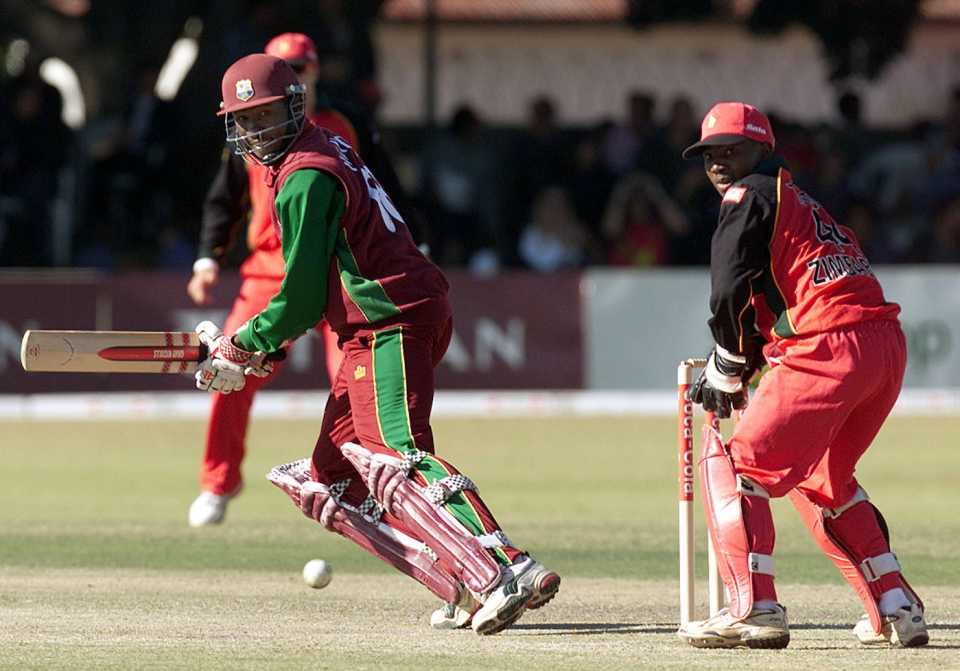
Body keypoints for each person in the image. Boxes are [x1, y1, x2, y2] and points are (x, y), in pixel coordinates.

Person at [193, 52, 560, 635]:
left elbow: (304, 297)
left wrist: (244, 344)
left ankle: (506, 568)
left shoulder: (305, 175)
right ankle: (458, 579)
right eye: (247, 120)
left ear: (295, 107)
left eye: (268, 115)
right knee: (326, 478)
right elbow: (319, 289)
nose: (260, 131)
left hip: (389, 319)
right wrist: (262, 351)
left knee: (397, 455)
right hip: (388, 314)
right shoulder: (320, 148)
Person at [676, 101, 928, 649]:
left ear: (762, 151)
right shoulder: (803, 201)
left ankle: (755, 608)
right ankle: (896, 604)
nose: (719, 163)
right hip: (883, 347)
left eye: (732, 150)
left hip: (831, 344)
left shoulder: (748, 197)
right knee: (825, 479)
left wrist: (727, 364)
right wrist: (749, 361)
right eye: (709, 154)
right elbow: (771, 300)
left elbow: (729, 290)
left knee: (737, 463)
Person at [186, 33, 416, 527]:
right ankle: (218, 482)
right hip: (268, 269)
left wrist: (414, 241)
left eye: (297, 66)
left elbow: (385, 186)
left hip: (338, 269)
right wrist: (208, 258)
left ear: (308, 74)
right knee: (230, 379)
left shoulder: (339, 127)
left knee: (357, 381)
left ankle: (359, 487)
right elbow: (222, 198)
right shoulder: (250, 131)